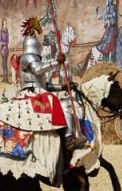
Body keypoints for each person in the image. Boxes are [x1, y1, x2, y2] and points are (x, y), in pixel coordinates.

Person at [19, 17, 86, 150]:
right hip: (32, 95)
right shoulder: (28, 57)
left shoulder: (31, 58)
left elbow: (45, 86)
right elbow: (38, 70)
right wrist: (57, 62)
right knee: (65, 104)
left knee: (65, 100)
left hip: (38, 92)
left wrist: (62, 87)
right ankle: (68, 138)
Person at [0, 19, 10, 83]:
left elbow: (8, 40)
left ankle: (6, 79)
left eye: (6, 22)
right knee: (3, 64)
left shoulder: (7, 31)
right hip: (2, 50)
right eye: (4, 22)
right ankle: (4, 78)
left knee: (5, 65)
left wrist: (5, 44)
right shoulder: (1, 30)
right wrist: (2, 43)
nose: (5, 23)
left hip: (6, 49)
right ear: (2, 23)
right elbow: (0, 39)